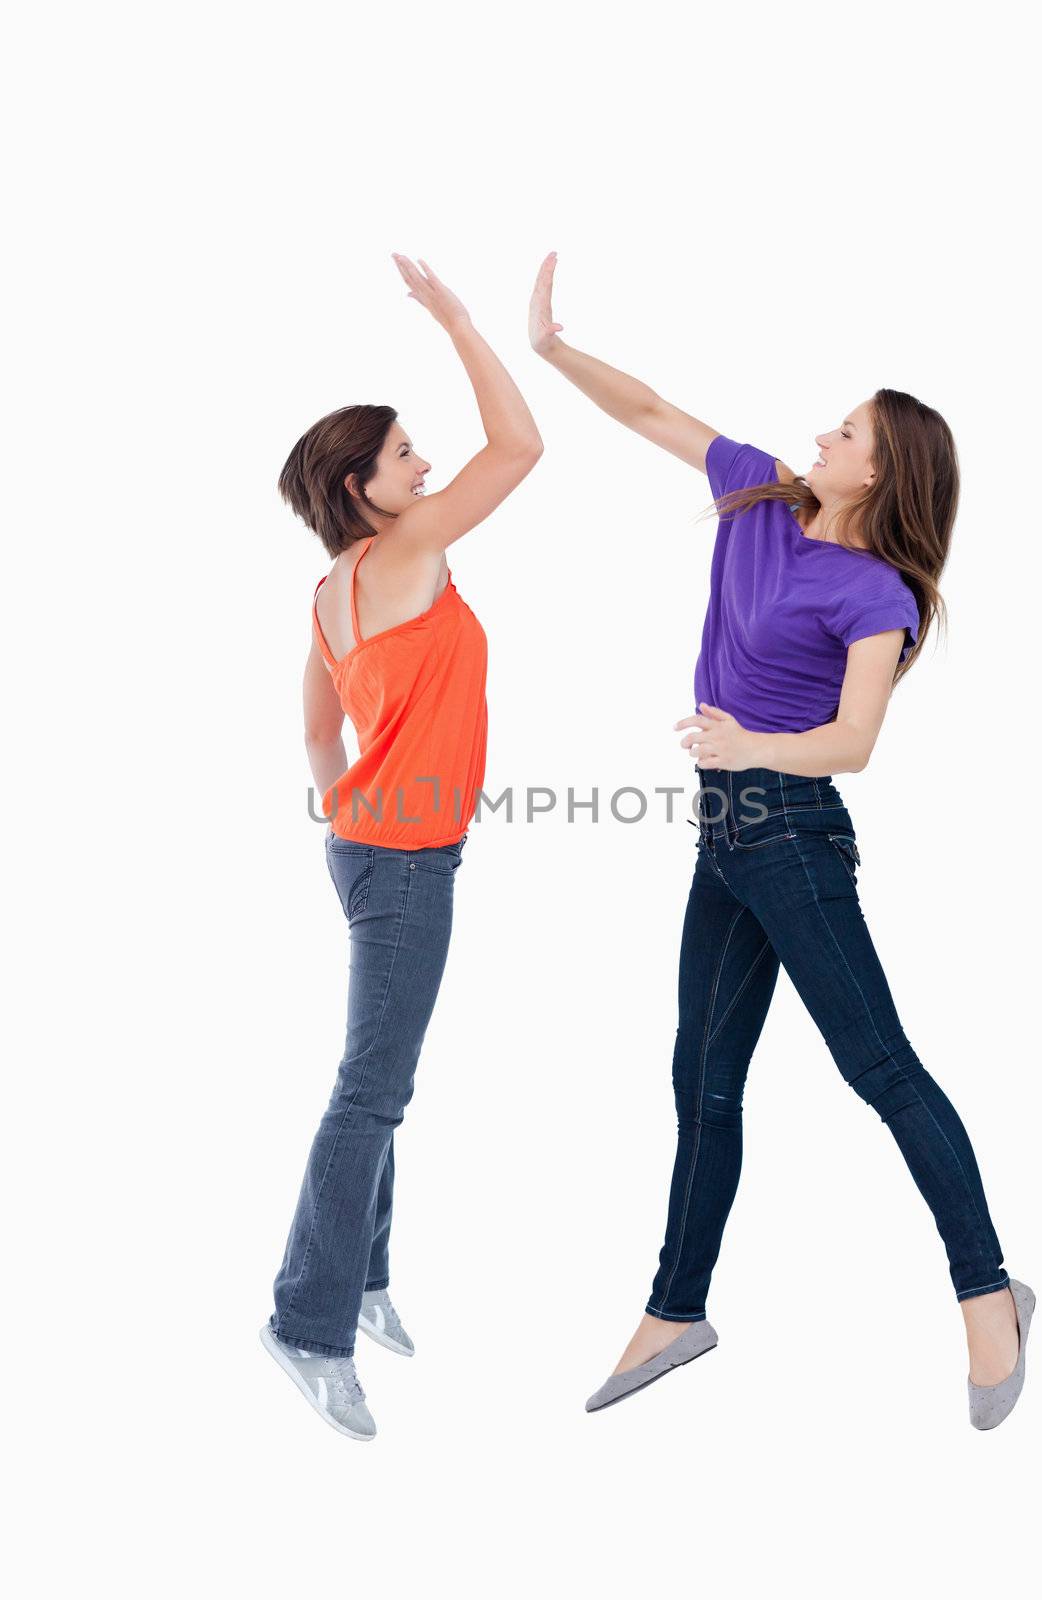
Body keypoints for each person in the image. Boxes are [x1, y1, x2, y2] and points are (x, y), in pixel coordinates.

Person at [529, 254, 1035, 1430]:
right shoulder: (756, 495)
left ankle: (986, 1295)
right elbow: (651, 410)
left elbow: (852, 742)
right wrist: (553, 348)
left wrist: (751, 742)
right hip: (725, 837)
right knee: (699, 1078)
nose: (821, 430)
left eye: (845, 427)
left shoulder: (875, 593)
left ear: (880, 465)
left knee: (879, 1069)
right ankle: (674, 1308)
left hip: (793, 838)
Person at [260, 255, 543, 1441]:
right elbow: (519, 446)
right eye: (405, 454)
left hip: (380, 850)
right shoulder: (409, 549)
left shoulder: (335, 586)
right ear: (363, 488)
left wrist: (347, 812)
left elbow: (318, 727)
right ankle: (306, 1322)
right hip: (403, 860)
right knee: (369, 1088)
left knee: (385, 1081)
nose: (426, 464)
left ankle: (364, 1280)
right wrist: (463, 321)